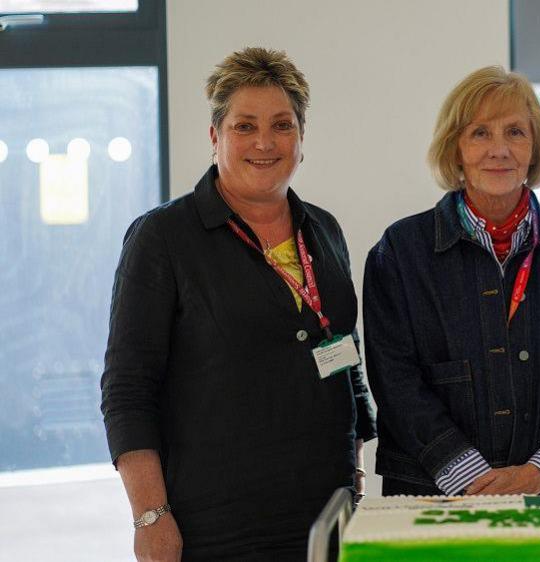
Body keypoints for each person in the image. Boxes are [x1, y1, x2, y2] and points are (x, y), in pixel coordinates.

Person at [100, 47, 376, 561]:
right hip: (216, 526)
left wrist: (355, 468)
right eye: (244, 126)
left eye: (282, 125)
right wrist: (150, 518)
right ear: (215, 137)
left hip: (324, 515)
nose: (265, 142)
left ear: (301, 137)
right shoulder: (163, 238)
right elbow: (128, 390)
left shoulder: (324, 230)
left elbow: (343, 349)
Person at [363, 66, 540, 497]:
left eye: (516, 132)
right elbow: (394, 380)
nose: (499, 150)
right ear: (456, 149)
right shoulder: (400, 251)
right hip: (428, 496)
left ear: (535, 148)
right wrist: (470, 478)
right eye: (480, 133)